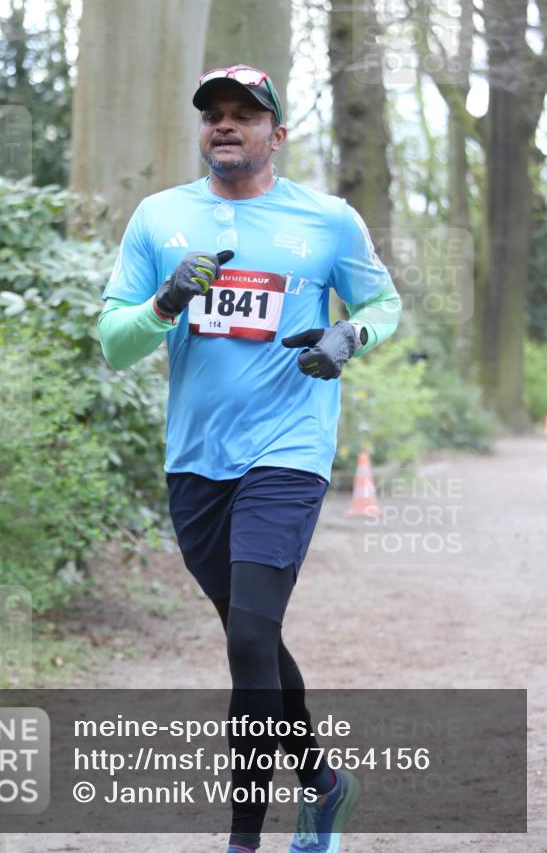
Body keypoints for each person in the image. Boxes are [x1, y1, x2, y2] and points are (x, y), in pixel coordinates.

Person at [98, 64, 402, 853]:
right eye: (213, 114)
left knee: (245, 642)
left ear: (277, 133)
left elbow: (383, 302)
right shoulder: (159, 217)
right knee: (253, 636)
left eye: (244, 113)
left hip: (288, 452)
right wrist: (165, 302)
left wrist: (348, 335)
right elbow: (114, 343)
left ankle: (243, 840)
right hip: (196, 462)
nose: (225, 124)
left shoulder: (326, 220)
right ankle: (325, 786)